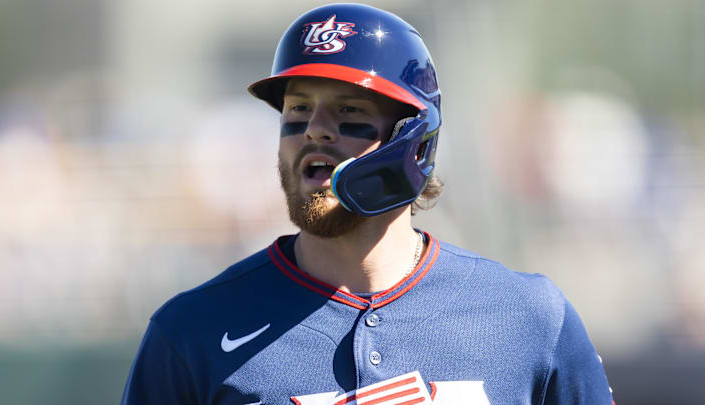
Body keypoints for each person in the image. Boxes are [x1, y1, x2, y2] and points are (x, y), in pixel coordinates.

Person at [121, 3, 614, 404]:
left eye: (348, 110)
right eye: (297, 109)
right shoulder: (190, 334)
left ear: (413, 140)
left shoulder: (528, 317)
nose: (314, 128)